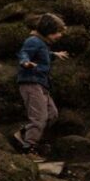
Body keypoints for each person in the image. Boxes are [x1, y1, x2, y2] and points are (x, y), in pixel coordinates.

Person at [12, 13, 69, 162]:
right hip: (31, 83)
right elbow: (25, 53)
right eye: (58, 32)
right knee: (39, 117)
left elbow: (41, 54)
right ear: (47, 30)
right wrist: (25, 62)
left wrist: (54, 55)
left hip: (41, 83)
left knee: (52, 114)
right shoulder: (33, 41)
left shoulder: (42, 43)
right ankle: (28, 149)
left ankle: (24, 133)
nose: (60, 35)